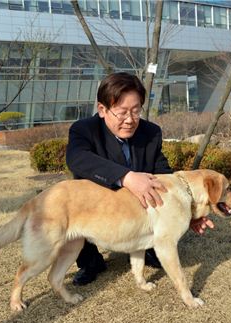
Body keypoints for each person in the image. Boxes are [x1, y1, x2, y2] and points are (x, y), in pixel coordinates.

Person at [66, 72, 213, 286]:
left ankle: (147, 247)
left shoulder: (150, 132)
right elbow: (77, 158)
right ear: (102, 110)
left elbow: (163, 174)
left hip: (137, 211)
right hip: (99, 204)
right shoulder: (84, 130)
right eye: (122, 112)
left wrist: (187, 212)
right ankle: (90, 261)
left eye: (136, 111)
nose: (130, 120)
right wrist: (126, 177)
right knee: (77, 204)